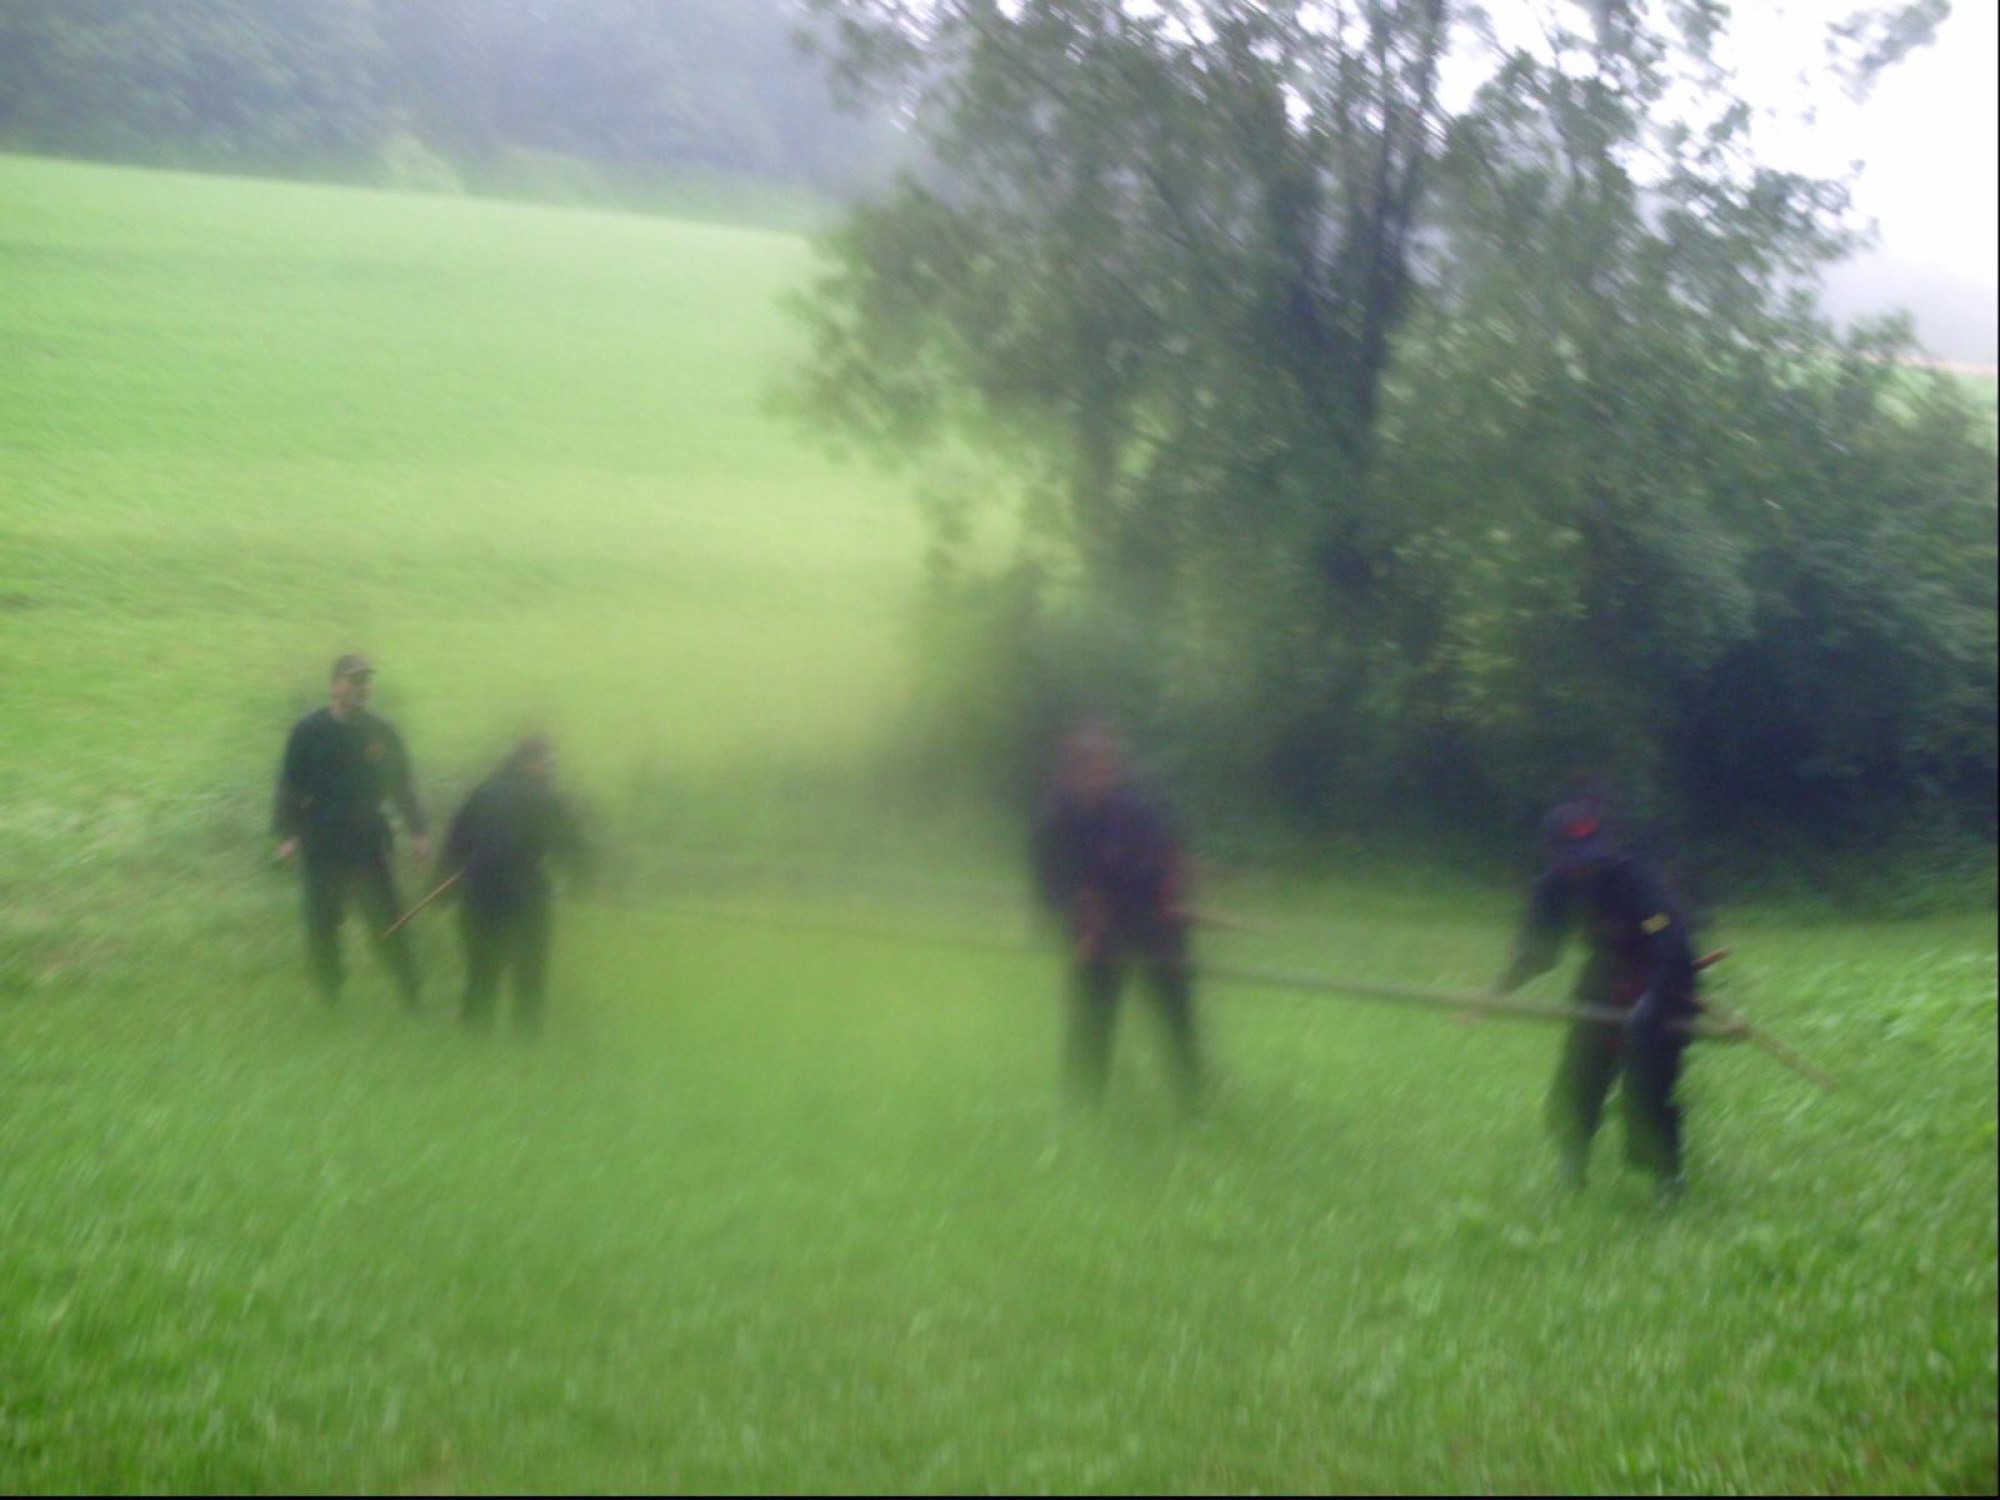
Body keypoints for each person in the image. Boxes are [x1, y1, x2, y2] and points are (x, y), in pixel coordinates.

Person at [1492, 793, 1700, 1199]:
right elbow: (1538, 952)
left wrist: (1656, 1001)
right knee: (1577, 1082)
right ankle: (1572, 1164)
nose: (1582, 866)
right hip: (1603, 978)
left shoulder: (1633, 882)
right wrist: (1499, 990)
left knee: (1648, 1087)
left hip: (1661, 975)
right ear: (1553, 854)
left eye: (1587, 855)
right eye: (1571, 857)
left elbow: (1667, 936)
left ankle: (1667, 1179)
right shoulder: (1552, 889)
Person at [1030, 724, 1202, 1113]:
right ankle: (1083, 1105)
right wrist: (1080, 911)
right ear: (1068, 774)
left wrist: (1170, 894)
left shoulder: (1138, 810)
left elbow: (1170, 858)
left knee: (1175, 1014)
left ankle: (1192, 1101)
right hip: (1096, 930)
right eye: (1088, 769)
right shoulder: (1055, 821)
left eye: (1105, 768)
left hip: (1153, 921)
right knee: (1093, 1018)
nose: (1099, 778)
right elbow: (1052, 882)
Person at [273, 653, 429, 1008]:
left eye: (365, 681)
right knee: (322, 924)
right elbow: (290, 785)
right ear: (334, 687)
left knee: (388, 920)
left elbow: (402, 786)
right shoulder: (308, 731)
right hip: (321, 840)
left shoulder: (382, 732)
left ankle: (410, 993)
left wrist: (418, 833)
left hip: (367, 840)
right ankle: (330, 998)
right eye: (354, 680)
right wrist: (287, 836)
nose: (362, 688)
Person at [442, 735, 586, 1037]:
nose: (551, 770)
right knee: (529, 967)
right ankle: (525, 1035)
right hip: (525, 891)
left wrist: (445, 883)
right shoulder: (544, 798)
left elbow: (457, 838)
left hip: (479, 888)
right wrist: (580, 878)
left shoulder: (484, 792)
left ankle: (475, 1032)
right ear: (527, 764)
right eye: (547, 764)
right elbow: (569, 842)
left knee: (482, 966)